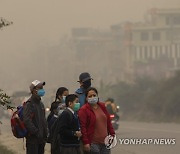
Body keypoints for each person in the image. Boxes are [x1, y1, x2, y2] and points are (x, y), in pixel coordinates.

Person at [78, 87, 115, 154]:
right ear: (86, 98)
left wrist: (112, 135)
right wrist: (86, 142)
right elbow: (83, 127)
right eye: (90, 96)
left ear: (97, 96)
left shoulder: (103, 106)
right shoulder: (83, 110)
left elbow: (108, 122)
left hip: (105, 143)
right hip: (93, 143)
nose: (92, 97)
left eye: (94, 95)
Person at [23, 80, 48, 154]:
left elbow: (43, 120)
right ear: (34, 90)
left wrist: (45, 132)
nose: (42, 90)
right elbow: (27, 120)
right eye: (40, 88)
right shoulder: (29, 104)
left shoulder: (41, 104)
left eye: (42, 88)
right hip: (33, 140)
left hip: (41, 140)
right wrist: (36, 132)